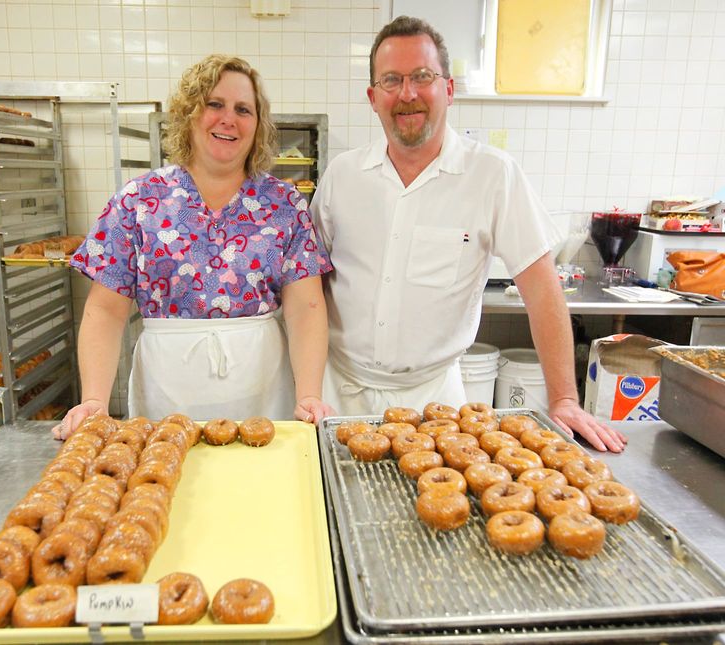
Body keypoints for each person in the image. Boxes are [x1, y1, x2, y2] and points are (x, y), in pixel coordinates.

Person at [310, 16, 626, 452]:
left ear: (449, 89)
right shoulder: (342, 175)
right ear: (372, 96)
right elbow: (308, 288)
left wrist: (565, 398)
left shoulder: (493, 175)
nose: (407, 93)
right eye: (391, 80)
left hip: (434, 401)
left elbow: (541, 290)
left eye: (422, 77)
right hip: (337, 391)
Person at [53, 54, 333, 440]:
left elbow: (307, 307)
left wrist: (309, 394)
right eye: (214, 104)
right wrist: (95, 401)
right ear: (188, 114)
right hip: (167, 388)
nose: (228, 119)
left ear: (258, 125)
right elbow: (104, 310)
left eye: (243, 109)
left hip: (263, 387)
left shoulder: (284, 203)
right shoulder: (139, 200)